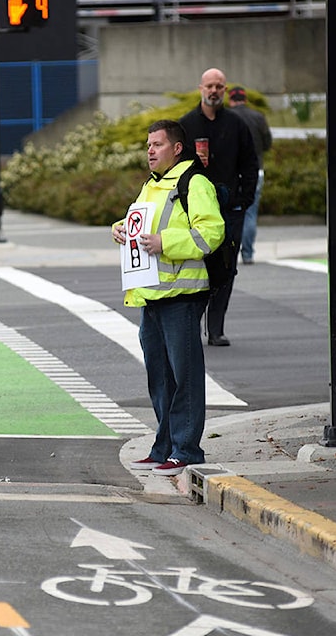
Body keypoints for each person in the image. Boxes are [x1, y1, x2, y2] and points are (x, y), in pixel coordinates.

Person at [111, 119, 225, 476]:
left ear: (177, 148)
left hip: (182, 294)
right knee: (160, 378)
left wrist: (166, 244)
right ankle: (164, 447)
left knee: (184, 377)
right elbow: (147, 224)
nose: (150, 151)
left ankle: (187, 449)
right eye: (148, 145)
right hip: (153, 295)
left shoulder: (195, 183)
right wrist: (123, 227)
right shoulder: (153, 185)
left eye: (157, 145)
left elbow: (212, 231)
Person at [179, 68, 259, 347]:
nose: (214, 91)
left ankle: (216, 329)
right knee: (197, 268)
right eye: (209, 86)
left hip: (230, 209)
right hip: (196, 211)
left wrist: (243, 200)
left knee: (226, 269)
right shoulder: (186, 124)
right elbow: (175, 167)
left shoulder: (236, 125)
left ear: (225, 90)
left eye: (219, 86)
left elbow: (250, 164)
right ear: (200, 88)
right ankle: (191, 326)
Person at [228, 85, 272, 265]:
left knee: (231, 213)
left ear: (230, 100)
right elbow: (267, 143)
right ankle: (247, 254)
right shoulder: (258, 117)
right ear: (245, 99)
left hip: (231, 173)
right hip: (255, 171)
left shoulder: (228, 118)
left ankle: (231, 252)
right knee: (250, 213)